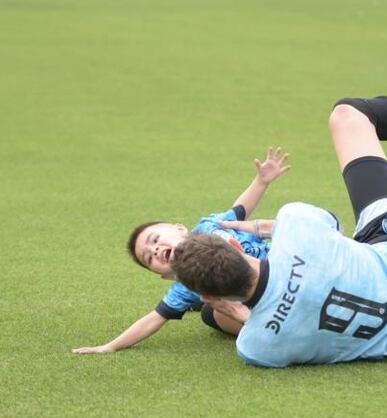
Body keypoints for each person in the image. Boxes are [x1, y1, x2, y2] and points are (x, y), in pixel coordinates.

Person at [171, 54, 387, 367]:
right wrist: (268, 233)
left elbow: (252, 324)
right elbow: (337, 232)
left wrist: (235, 306)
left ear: (210, 296)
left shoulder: (256, 348)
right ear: (236, 245)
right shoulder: (295, 224)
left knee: (214, 318)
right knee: (348, 114)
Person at [72, 147, 290, 355]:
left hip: (278, 270)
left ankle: (200, 304)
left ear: (179, 228)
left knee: (207, 306)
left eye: (155, 239)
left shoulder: (210, 227)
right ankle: (253, 325)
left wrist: (261, 181)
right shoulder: (186, 285)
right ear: (165, 275)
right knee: (212, 314)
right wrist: (110, 346)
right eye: (149, 257)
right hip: (258, 301)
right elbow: (154, 318)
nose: (155, 249)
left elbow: (239, 210)